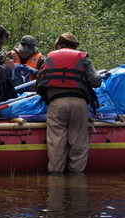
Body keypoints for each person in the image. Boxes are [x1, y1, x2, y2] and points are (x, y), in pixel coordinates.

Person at [37, 33, 102, 174]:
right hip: (79, 104)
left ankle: (55, 180)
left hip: (56, 103)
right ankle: (76, 180)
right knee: (78, 143)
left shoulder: (49, 57)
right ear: (74, 45)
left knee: (56, 143)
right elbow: (95, 81)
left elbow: (39, 82)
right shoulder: (83, 57)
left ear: (59, 45)